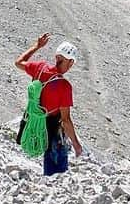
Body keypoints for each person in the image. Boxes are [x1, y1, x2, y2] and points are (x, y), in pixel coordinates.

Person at [14, 32, 82, 176]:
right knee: (56, 172)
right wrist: (76, 144)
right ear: (70, 62)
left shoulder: (40, 68)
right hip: (50, 128)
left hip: (32, 121)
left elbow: (18, 62)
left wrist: (37, 46)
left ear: (57, 57)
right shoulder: (64, 86)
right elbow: (66, 120)